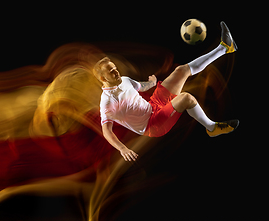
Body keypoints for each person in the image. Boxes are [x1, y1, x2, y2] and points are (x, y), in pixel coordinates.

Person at [93, 22, 239, 161]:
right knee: (186, 98)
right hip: (153, 125)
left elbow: (139, 86)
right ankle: (212, 128)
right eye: (111, 72)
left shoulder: (123, 80)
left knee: (181, 70)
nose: (116, 72)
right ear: (102, 78)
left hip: (154, 105)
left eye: (115, 68)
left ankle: (226, 47)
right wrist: (122, 149)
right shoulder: (107, 101)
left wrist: (151, 83)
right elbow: (106, 131)